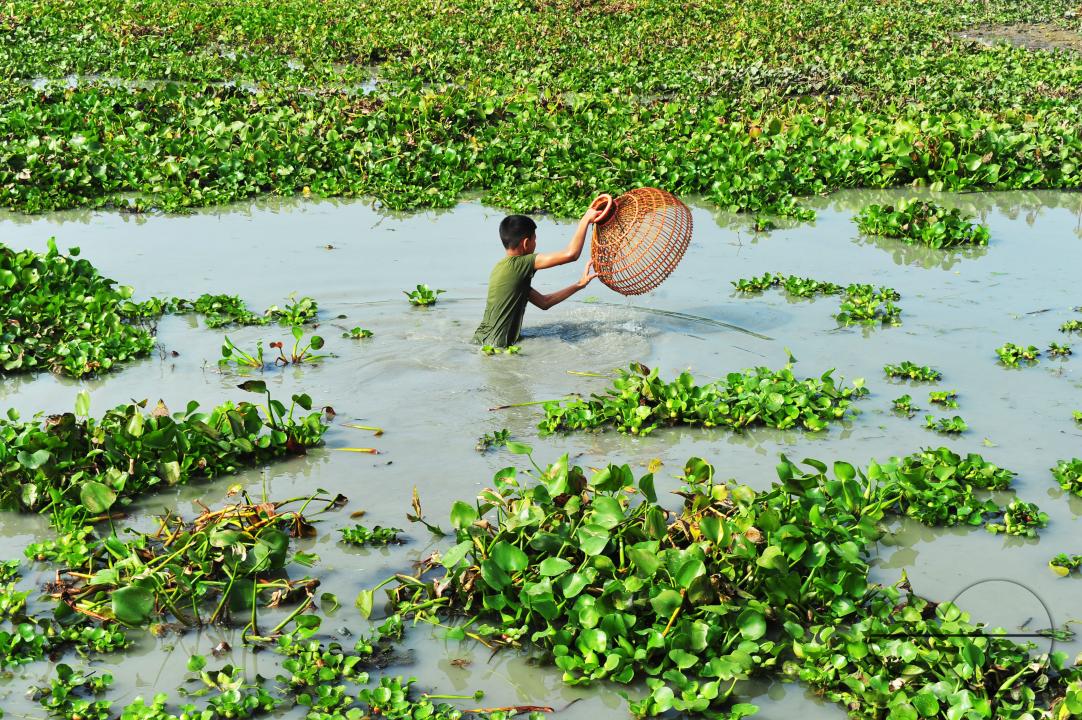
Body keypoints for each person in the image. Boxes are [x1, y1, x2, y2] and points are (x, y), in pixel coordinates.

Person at [472, 207, 604, 348]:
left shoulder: (501, 269)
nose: (536, 244)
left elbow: (544, 302)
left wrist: (579, 284)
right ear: (526, 243)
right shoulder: (521, 264)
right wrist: (585, 220)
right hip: (497, 347)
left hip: (480, 341)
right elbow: (571, 254)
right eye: (535, 240)